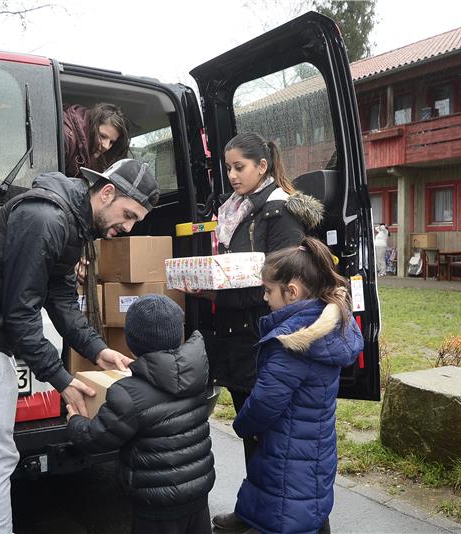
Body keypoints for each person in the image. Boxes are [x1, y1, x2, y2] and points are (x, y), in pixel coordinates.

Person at [0, 158, 160, 534]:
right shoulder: (46, 219)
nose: (127, 227)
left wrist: (98, 350)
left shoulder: (71, 220)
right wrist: (61, 379)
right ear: (107, 192)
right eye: (128, 215)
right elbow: (20, 315)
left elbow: (61, 298)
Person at [180, 131, 324, 532]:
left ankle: (281, 518)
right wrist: (209, 283)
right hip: (236, 334)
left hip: (262, 336)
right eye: (227, 167)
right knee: (253, 432)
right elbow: (238, 272)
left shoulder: (279, 212)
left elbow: (288, 281)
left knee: (275, 439)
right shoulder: (235, 210)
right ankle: (253, 512)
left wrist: (226, 281)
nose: (231, 175)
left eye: (239, 167)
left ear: (262, 166)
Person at [233, 236, 364, 534]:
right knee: (311, 505)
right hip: (316, 442)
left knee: (286, 513)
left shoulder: (292, 343)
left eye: (268, 291)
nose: (265, 298)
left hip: (287, 448)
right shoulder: (328, 322)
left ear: (291, 292)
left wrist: (242, 426)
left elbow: (265, 402)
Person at [65, 294, 215, 534]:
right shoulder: (197, 371)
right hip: (197, 492)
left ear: (131, 341)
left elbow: (97, 438)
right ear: (179, 334)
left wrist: (75, 422)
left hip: (155, 503)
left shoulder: (128, 393)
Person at [62, 102, 130, 178]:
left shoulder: (94, 156)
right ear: (91, 126)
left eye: (112, 142)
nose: (106, 146)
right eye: (103, 136)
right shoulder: (67, 138)